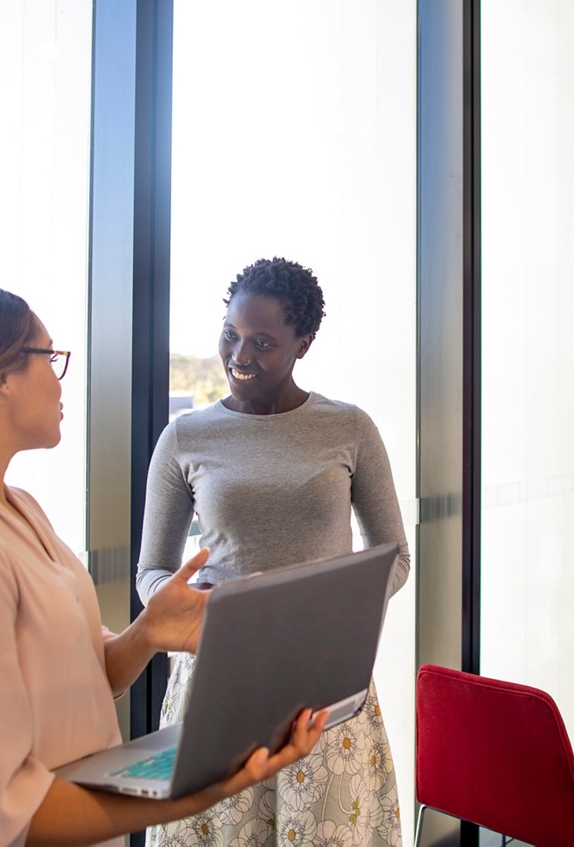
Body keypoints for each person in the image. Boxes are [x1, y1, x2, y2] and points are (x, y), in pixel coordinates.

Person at [0, 284, 327, 847]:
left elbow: (86, 676)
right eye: (48, 357)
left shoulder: (15, 508)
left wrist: (149, 631)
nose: (61, 379)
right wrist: (200, 786)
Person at [137, 257, 411, 846]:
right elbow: (151, 570)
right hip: (217, 672)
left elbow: (395, 557)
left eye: (262, 342)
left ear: (303, 344)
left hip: (322, 679)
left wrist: (330, 612)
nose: (240, 355)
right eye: (231, 335)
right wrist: (192, 605)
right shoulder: (185, 436)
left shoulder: (349, 427)